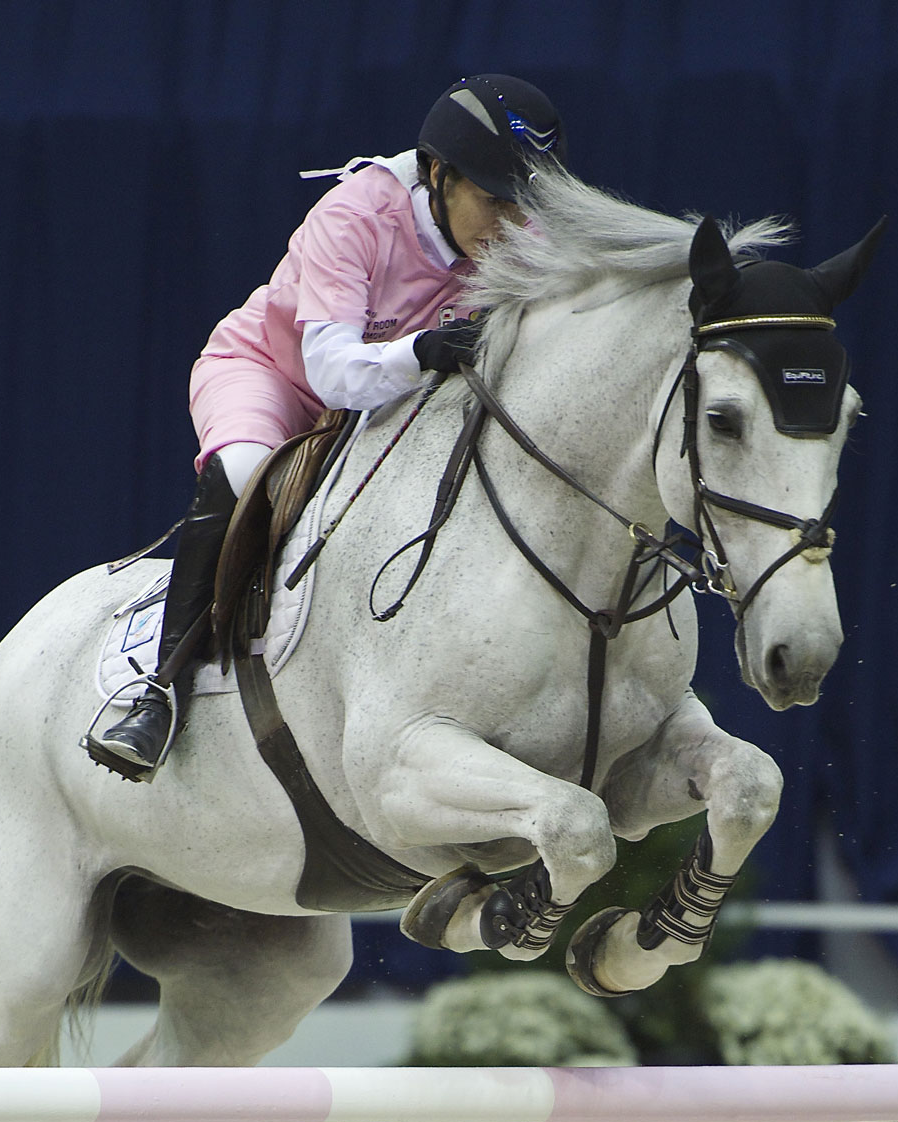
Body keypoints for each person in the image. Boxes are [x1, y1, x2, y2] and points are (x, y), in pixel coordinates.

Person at [89, 73, 566, 780]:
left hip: (384, 406)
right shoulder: (355, 216)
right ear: (438, 173)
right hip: (275, 375)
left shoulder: (523, 232)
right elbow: (333, 372)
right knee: (249, 474)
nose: (510, 223)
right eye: (495, 200)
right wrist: (423, 350)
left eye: (522, 203)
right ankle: (158, 690)